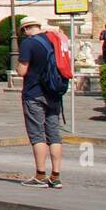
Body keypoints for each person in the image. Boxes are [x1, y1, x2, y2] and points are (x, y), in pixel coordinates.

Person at [17, 17, 64, 189]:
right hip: (54, 93)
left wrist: (18, 67)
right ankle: (56, 177)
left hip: (34, 94)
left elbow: (22, 70)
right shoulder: (54, 40)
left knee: (37, 135)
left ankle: (40, 175)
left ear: (26, 29)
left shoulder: (28, 44)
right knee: (54, 135)